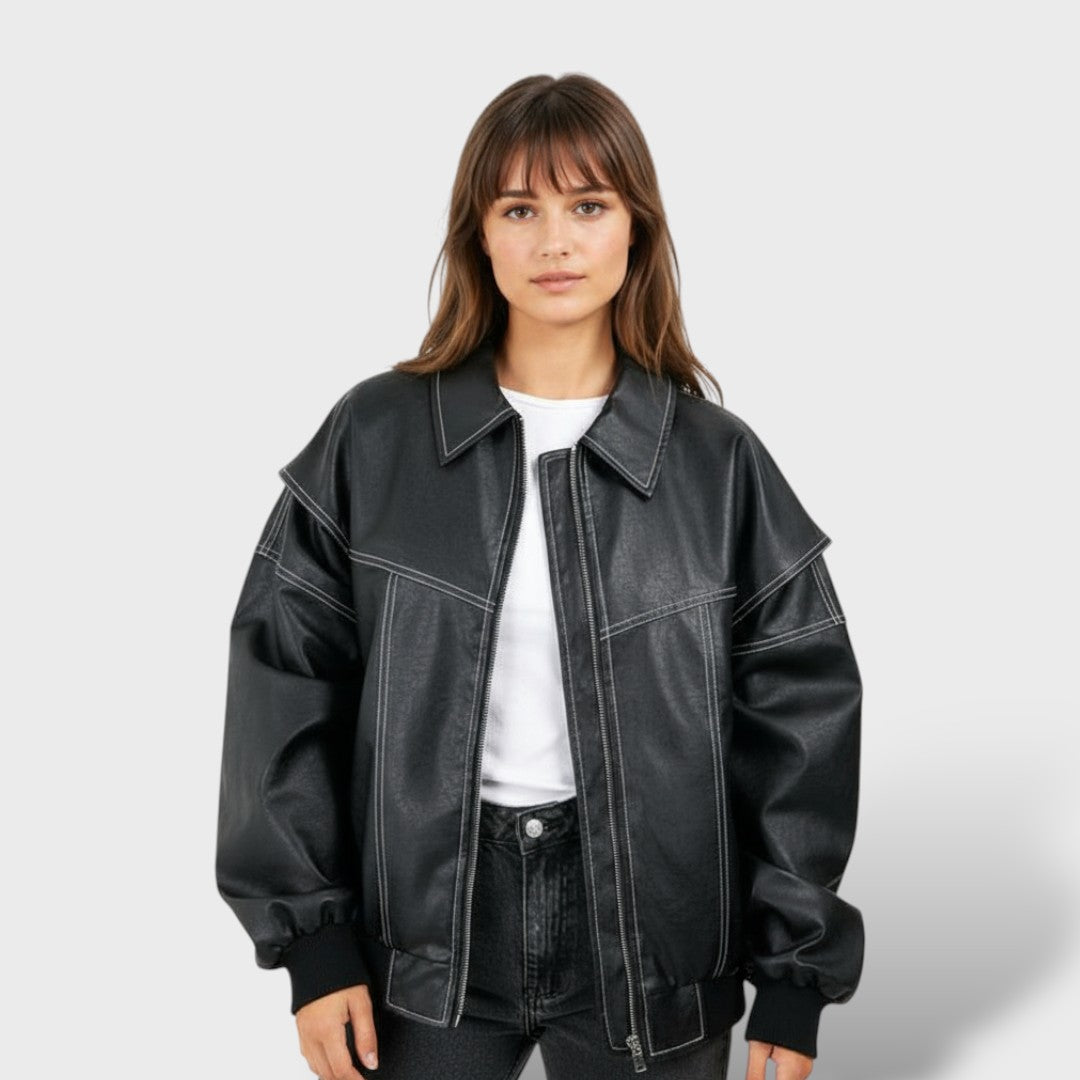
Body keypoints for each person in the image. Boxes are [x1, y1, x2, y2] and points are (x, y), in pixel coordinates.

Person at [216, 73, 864, 1080]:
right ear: (478, 233)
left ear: (636, 229)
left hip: (653, 943)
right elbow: (282, 686)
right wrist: (314, 943)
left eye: (588, 205)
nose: (555, 241)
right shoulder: (376, 438)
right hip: (422, 938)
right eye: (520, 209)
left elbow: (802, 725)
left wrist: (794, 974)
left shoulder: (717, 464)